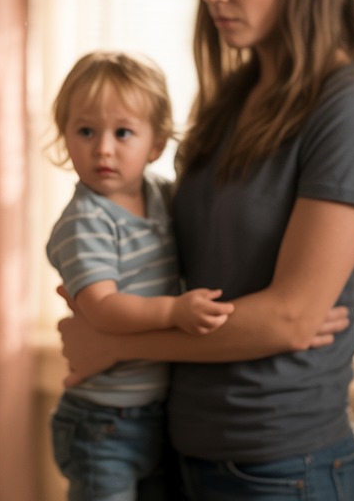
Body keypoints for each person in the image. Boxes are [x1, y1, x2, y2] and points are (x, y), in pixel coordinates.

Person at [57, 0, 354, 500]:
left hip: (281, 463)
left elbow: (289, 320)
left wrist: (118, 345)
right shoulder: (231, 99)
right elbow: (184, 262)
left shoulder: (353, 111)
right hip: (177, 440)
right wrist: (99, 288)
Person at [46, 51, 234, 501]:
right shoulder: (86, 220)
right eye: (85, 131)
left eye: (123, 132)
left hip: (155, 414)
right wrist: (174, 310)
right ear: (65, 136)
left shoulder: (160, 194)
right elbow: (104, 309)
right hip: (102, 422)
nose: (103, 148)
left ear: (156, 144)